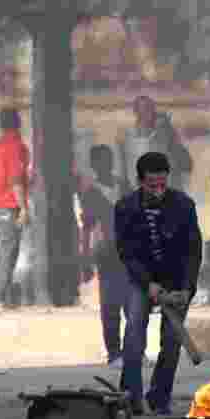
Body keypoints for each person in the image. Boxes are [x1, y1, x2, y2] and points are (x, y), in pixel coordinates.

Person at [115, 152, 203, 416]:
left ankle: (159, 397)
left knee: (172, 340)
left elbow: (193, 250)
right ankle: (130, 397)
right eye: (152, 185)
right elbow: (126, 253)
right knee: (133, 335)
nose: (159, 190)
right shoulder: (125, 208)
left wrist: (187, 288)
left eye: (163, 184)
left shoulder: (184, 205)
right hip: (141, 279)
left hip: (176, 279)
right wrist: (148, 284)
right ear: (140, 182)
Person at [78, 144, 129, 366]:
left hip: (129, 251)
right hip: (106, 252)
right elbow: (87, 227)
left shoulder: (124, 186)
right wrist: (85, 257)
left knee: (133, 303)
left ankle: (133, 350)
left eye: (107, 160)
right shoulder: (90, 193)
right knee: (110, 304)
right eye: (100, 162)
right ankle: (114, 352)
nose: (104, 165)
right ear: (94, 166)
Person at [0, 108, 30, 312]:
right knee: (8, 251)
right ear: (18, 123)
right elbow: (15, 180)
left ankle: (4, 297)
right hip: (9, 205)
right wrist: (23, 207)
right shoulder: (16, 146)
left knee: (10, 251)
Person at [116, 96, 193, 194]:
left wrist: (171, 133)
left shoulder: (166, 135)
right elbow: (124, 171)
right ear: (136, 112)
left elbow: (186, 163)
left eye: (150, 110)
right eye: (144, 110)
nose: (150, 114)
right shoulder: (127, 138)